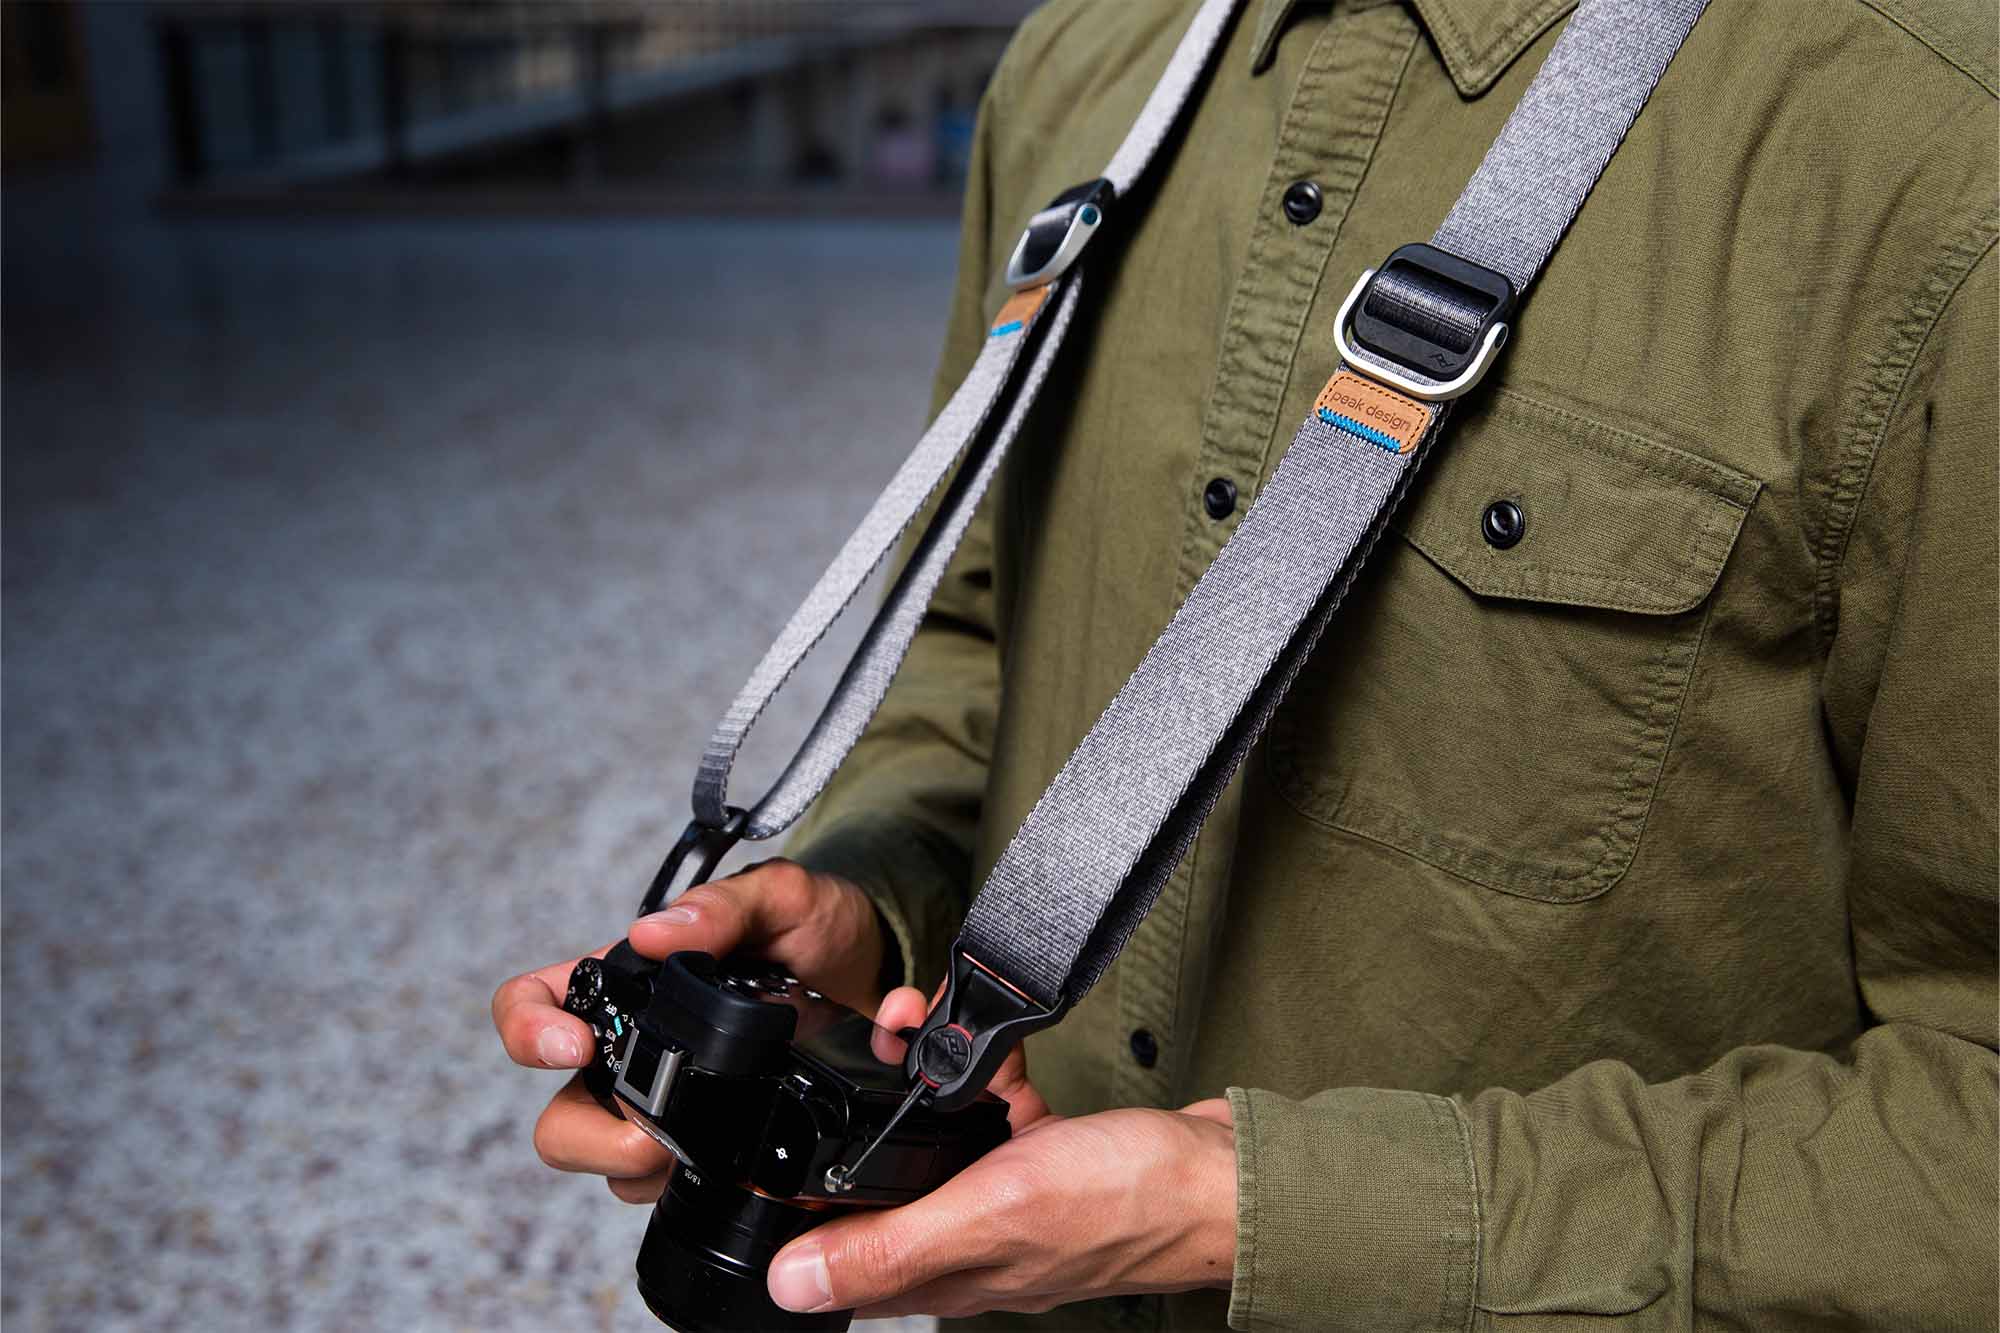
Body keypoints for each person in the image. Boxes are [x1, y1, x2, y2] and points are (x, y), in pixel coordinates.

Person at [493, 1, 1999, 1327]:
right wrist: (868, 905)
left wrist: (1273, 1213)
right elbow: (980, 643)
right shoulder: (1085, 68)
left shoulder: (1940, 156)